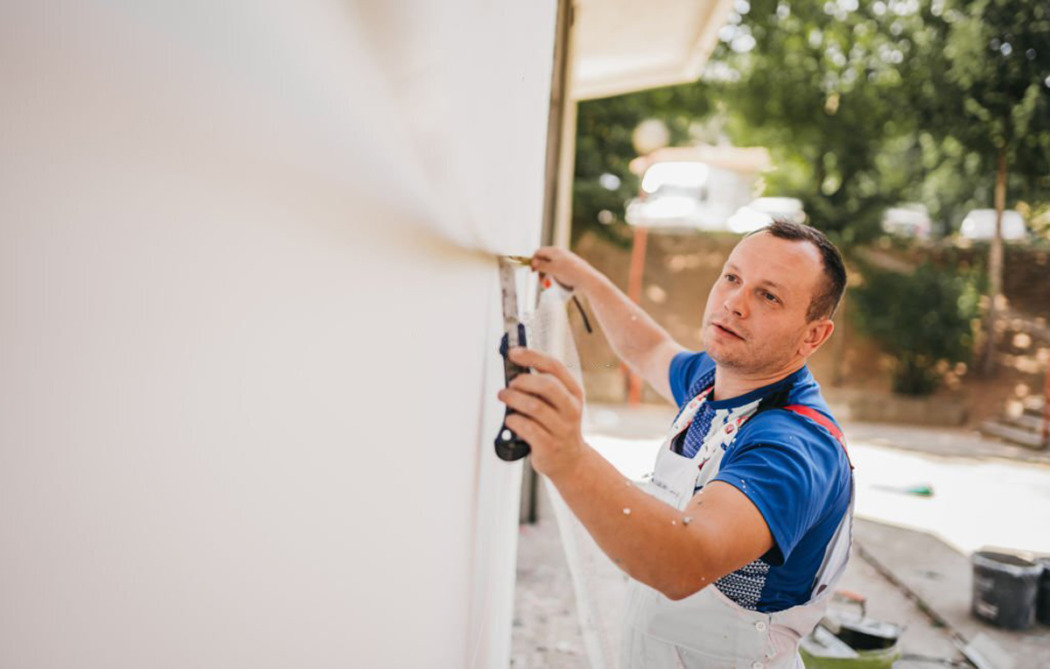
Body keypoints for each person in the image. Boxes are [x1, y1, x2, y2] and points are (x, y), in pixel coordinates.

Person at [497, 220, 853, 668]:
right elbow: (647, 349)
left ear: (813, 335)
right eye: (732, 277)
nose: (734, 303)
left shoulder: (793, 448)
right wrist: (584, 279)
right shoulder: (715, 381)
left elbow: (685, 562)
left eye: (769, 296)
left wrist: (570, 458)